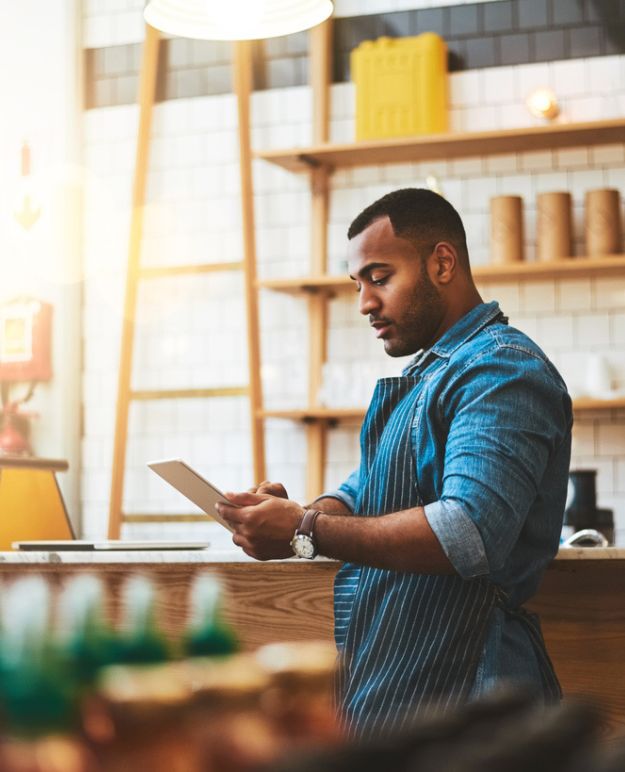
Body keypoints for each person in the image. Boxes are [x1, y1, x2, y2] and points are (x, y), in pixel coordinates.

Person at [217, 188, 573, 738]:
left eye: (380, 278)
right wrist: (296, 514)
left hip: (475, 692)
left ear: (442, 263)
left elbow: (469, 531)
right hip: (401, 687)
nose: (363, 303)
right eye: (357, 284)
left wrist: (306, 529)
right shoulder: (433, 373)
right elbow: (366, 491)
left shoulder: (502, 370)